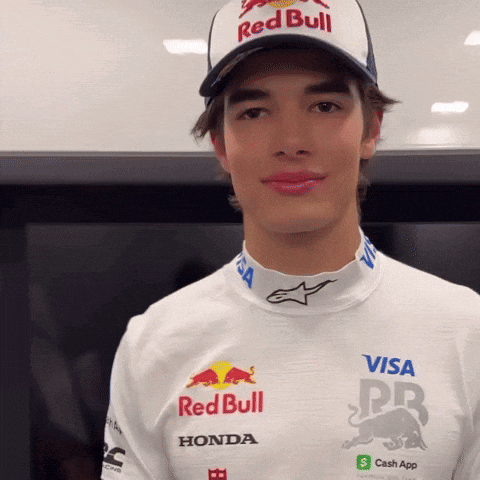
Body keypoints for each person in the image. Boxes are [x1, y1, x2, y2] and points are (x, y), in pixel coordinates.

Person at [102, 0, 480, 478]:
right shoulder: (155, 345)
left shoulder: (467, 333)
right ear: (220, 144)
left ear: (371, 129)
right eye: (255, 111)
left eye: (325, 106)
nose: (291, 141)